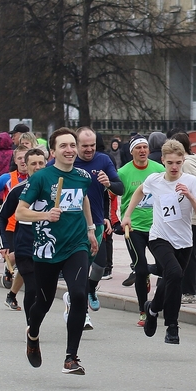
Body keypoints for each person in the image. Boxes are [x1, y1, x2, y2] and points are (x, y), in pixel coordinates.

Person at [16, 128, 99, 375]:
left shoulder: (83, 176)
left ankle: (71, 358)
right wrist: (45, 215)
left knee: (78, 294)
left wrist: (91, 228)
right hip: (47, 248)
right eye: (63, 146)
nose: (70, 150)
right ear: (53, 151)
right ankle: (32, 334)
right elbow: (21, 212)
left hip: (76, 245)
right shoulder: (41, 178)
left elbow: (83, 198)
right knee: (42, 301)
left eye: (72, 145)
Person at [123, 139, 196, 344]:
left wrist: (190, 197)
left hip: (184, 241)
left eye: (178, 162)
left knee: (170, 279)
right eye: (170, 163)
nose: (174, 167)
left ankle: (152, 309)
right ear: (163, 161)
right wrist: (127, 215)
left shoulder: (191, 182)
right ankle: (172, 326)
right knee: (175, 274)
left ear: (183, 160)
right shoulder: (155, 180)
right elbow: (140, 191)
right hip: (159, 237)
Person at [66, 127, 124, 329]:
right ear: (77, 145)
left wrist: (109, 183)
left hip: (97, 222)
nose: (89, 149)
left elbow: (120, 188)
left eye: (92, 145)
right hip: (73, 225)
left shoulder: (103, 161)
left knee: (99, 266)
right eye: (85, 146)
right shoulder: (69, 160)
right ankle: (82, 314)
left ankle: (91, 289)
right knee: (80, 270)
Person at [0, 148, 48, 320]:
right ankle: (31, 327)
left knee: (44, 290)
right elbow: (0, 217)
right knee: (32, 288)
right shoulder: (18, 191)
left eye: (41, 163)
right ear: (26, 166)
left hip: (49, 247)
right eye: (33, 163)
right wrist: (3, 243)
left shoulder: (55, 189)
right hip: (25, 248)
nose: (38, 167)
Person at [118, 136, 164, 325]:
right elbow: (113, 195)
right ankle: (143, 310)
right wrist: (115, 219)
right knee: (140, 266)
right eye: (139, 148)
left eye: (145, 147)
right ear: (132, 152)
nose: (143, 150)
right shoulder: (123, 172)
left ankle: (143, 272)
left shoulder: (159, 169)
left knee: (163, 267)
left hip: (156, 226)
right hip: (134, 227)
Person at [171, 132, 196, 304]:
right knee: (191, 252)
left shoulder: (187, 164)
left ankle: (190, 291)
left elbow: (194, 188)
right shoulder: (194, 160)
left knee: (188, 252)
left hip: (195, 211)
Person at [0, 146, 30, 306]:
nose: (22, 161)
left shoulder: (37, 181)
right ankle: (9, 272)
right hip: (11, 225)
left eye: (24, 158)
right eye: (19, 158)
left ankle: (11, 293)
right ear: (15, 160)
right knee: (21, 259)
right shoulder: (7, 178)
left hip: (28, 226)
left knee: (23, 261)